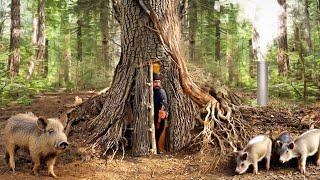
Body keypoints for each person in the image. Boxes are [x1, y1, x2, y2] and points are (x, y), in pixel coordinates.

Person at [153, 73, 168, 150]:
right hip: (152, 114)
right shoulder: (150, 91)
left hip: (160, 114)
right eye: (155, 82)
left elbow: (164, 103)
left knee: (159, 130)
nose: (157, 84)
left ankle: (157, 147)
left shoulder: (161, 91)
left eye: (158, 82)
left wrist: (159, 117)